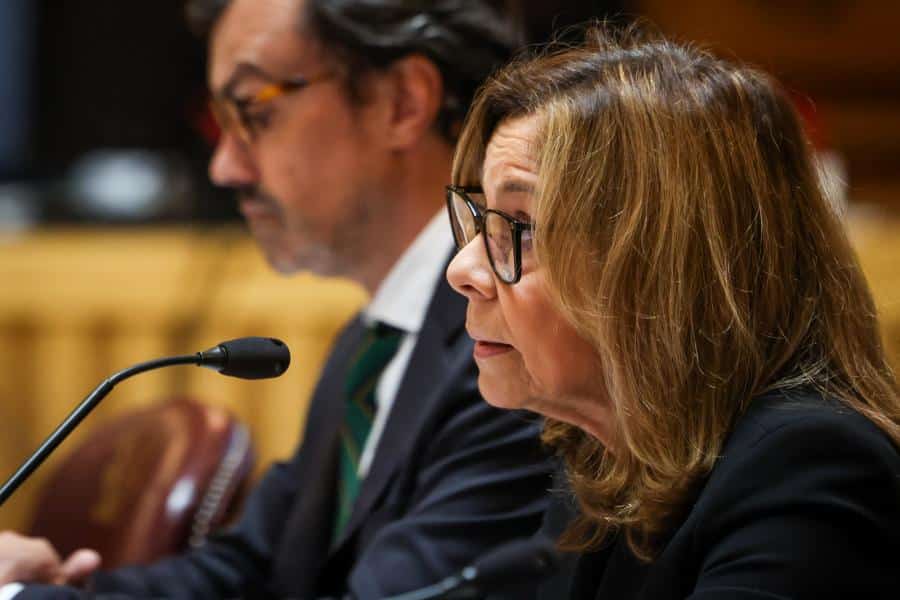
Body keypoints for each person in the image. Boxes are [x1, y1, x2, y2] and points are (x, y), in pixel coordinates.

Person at [0, 1, 553, 598]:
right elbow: (251, 570)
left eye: (253, 112)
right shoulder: (377, 338)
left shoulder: (509, 344)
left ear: (402, 102)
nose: (224, 167)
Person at [445, 23, 900, 599]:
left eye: (523, 227)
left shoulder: (806, 465)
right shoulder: (604, 460)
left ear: (669, 260)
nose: (463, 270)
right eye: (477, 217)